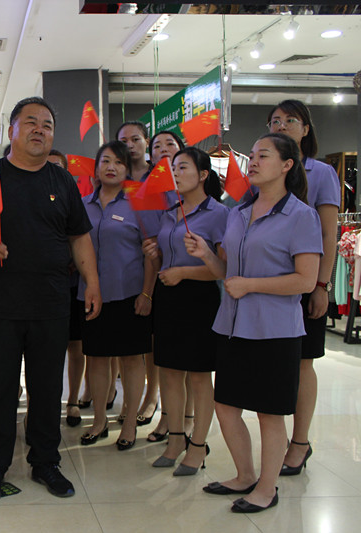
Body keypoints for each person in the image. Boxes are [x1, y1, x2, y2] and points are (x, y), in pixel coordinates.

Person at [0, 97, 102, 501]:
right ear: (12, 130)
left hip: (51, 303)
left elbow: (79, 237)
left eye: (47, 124)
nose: (40, 129)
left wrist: (92, 282)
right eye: (31, 122)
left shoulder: (62, 181)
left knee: (47, 387)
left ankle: (45, 461)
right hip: (0, 305)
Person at [187, 133, 321, 513]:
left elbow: (305, 280)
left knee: (269, 413)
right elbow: (228, 274)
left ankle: (266, 488)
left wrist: (251, 285)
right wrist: (206, 255)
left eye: (264, 155)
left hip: (275, 329)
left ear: (287, 165)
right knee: (226, 405)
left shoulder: (301, 216)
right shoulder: (239, 213)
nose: (255, 162)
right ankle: (245, 475)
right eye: (253, 155)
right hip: (232, 325)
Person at [144, 147, 229, 475]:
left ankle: (197, 445)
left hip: (200, 299)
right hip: (169, 298)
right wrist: (154, 255)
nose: (176, 173)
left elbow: (223, 269)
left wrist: (183, 272)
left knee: (198, 376)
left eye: (183, 167)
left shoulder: (219, 213)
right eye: (174, 168)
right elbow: (166, 261)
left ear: (203, 174)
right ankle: (175, 439)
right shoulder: (169, 213)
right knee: (169, 371)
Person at [266, 100, 340, 475]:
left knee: (302, 362)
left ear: (305, 129)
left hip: (306, 280)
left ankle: (300, 442)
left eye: (290, 120)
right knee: (275, 363)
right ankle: (275, 441)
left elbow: (328, 233)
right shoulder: (264, 169)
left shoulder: (321, 172)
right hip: (269, 283)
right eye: (275, 121)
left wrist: (321, 285)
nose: (281, 126)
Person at [78, 141, 159, 451]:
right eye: (105, 161)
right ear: (96, 168)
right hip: (91, 295)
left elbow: (151, 254)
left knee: (131, 359)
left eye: (119, 162)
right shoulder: (82, 206)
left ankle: (128, 423)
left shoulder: (139, 204)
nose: (111, 167)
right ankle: (99, 420)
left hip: (129, 294)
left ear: (127, 169)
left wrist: (147, 294)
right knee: (97, 359)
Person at [141, 129, 193, 441]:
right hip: (164, 281)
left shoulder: (194, 191)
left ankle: (188, 418)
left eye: (170, 144)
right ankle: (169, 417)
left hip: (196, 285)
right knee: (168, 359)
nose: (163, 149)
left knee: (192, 361)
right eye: (157, 145)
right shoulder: (152, 192)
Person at [48, 149, 91, 426]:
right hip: (44, 286)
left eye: (59, 167)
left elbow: (82, 239)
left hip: (73, 285)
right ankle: (45, 404)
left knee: (75, 346)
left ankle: (73, 400)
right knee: (44, 350)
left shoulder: (75, 201)